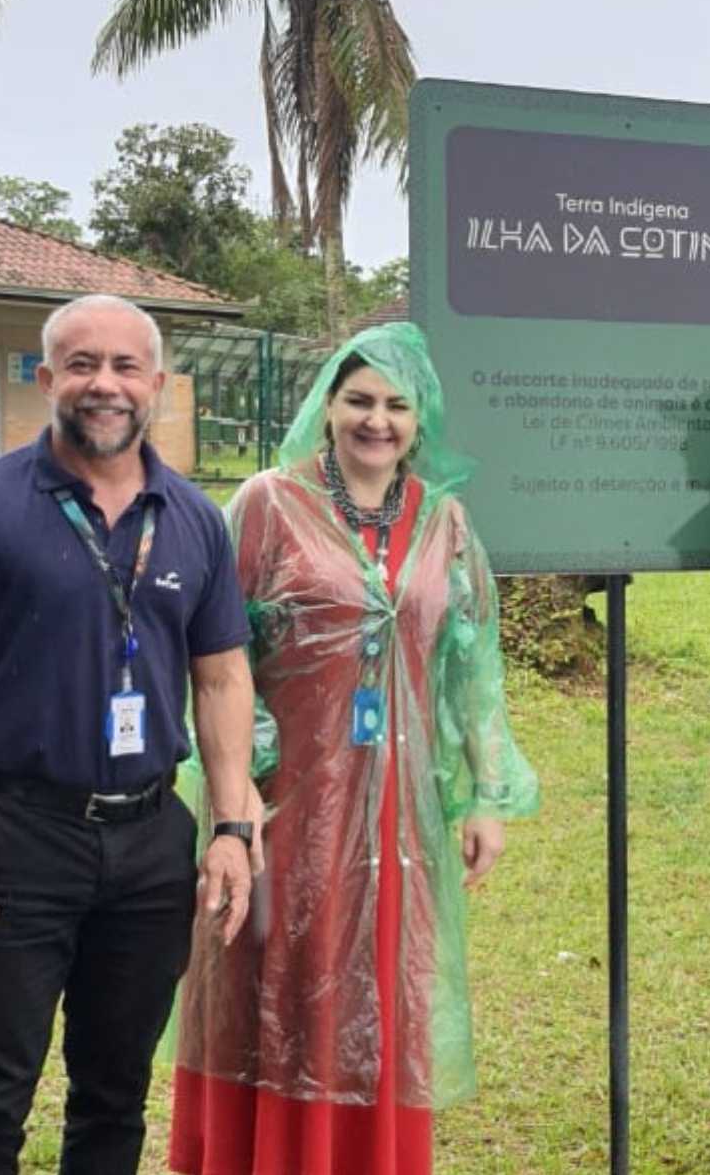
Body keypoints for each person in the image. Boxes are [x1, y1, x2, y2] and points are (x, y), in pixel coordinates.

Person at [166, 322, 539, 1175]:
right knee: (277, 982)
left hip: (402, 815)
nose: (378, 421)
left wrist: (482, 793)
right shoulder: (268, 503)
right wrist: (244, 784)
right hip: (284, 803)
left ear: (421, 419)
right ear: (327, 406)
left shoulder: (443, 519)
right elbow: (218, 654)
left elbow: (470, 668)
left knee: (384, 988)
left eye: (397, 405)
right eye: (360, 400)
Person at [0, 293, 259, 1174]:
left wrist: (231, 827)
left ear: (159, 385)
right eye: (83, 364)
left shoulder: (194, 518)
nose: (105, 384)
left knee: (115, 1090)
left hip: (149, 840)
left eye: (126, 366)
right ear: (46, 376)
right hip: (18, 836)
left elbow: (221, 677)